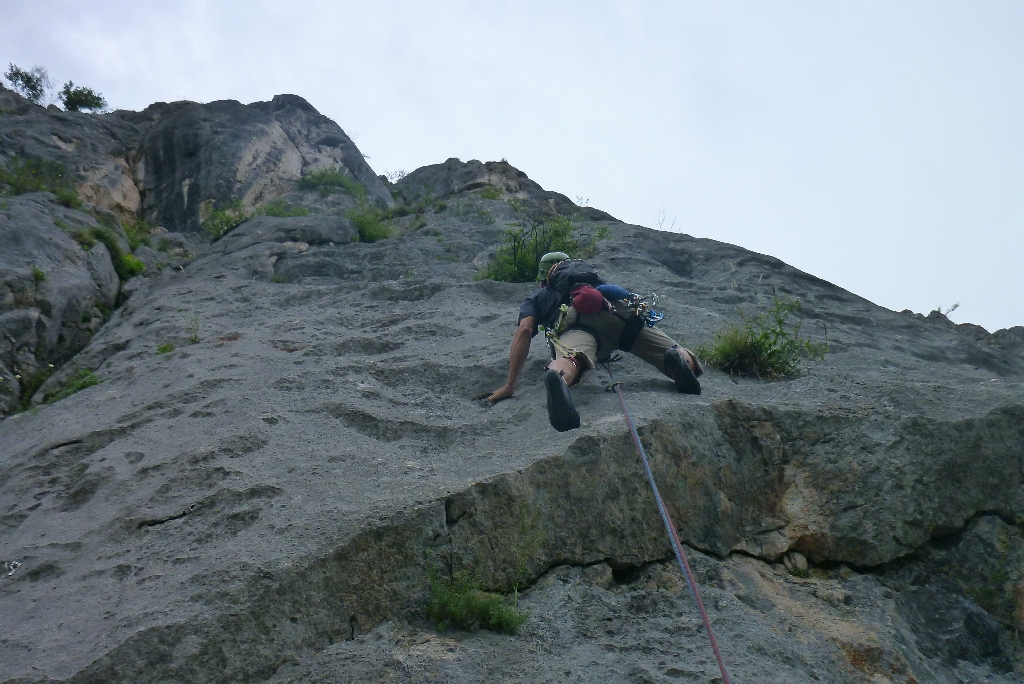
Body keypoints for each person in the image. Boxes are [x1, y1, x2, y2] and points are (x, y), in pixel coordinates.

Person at [487, 252, 702, 431]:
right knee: (667, 348)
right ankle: (679, 360)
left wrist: (510, 385)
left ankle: (559, 377)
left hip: (578, 323)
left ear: (545, 279)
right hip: (617, 311)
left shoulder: (538, 297)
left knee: (573, 358)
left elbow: (524, 330)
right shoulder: (590, 279)